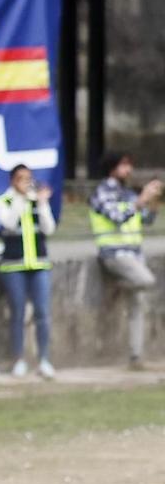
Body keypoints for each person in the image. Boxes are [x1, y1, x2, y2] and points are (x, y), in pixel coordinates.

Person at [88, 151, 162, 369]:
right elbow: (117, 218)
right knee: (146, 281)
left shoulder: (128, 193)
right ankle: (121, 285)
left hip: (134, 255)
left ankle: (135, 356)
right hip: (114, 254)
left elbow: (146, 220)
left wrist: (154, 200)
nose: (128, 170)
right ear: (112, 168)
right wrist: (141, 201)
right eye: (124, 165)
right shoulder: (102, 193)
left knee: (138, 306)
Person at [0, 163, 56, 379]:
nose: (26, 182)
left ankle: (44, 359)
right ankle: (19, 359)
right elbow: (9, 223)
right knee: (18, 314)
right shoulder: (4, 201)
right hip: (14, 266)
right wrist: (21, 199)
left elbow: (49, 228)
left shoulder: (36, 201)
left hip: (39, 264)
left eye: (28, 178)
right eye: (21, 178)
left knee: (42, 313)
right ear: (13, 181)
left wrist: (42, 203)